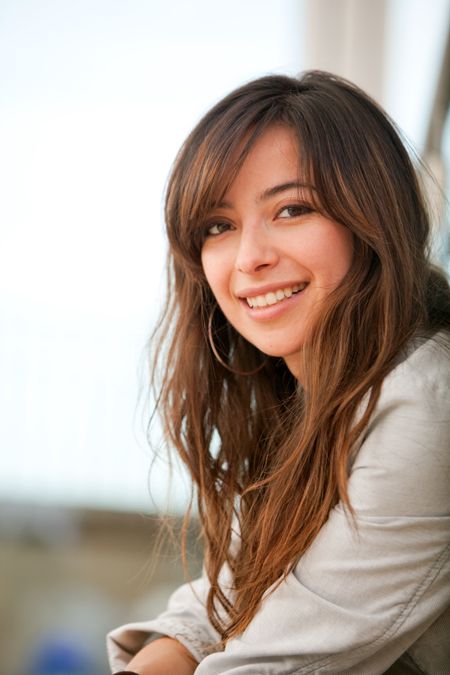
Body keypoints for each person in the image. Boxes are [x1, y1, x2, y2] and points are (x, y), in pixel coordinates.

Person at [107, 71, 450, 674]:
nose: (250, 258)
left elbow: (270, 663)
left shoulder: (423, 406)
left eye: (292, 209)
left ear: (371, 219)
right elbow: (220, 609)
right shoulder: (311, 394)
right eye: (219, 226)